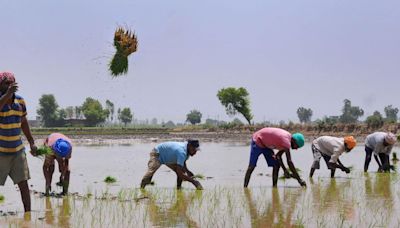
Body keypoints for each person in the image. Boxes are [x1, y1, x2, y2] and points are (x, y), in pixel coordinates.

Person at [0, 71, 37, 212]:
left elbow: (23, 122)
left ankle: (27, 215)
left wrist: (32, 143)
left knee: (23, 184)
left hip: (17, 151)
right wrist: (7, 94)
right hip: (1, 151)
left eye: (12, 83)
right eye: (6, 83)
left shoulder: (20, 101)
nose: (10, 86)